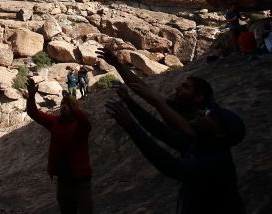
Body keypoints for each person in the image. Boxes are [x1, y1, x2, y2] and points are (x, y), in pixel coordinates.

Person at [106, 93, 246, 214]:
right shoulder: (203, 143)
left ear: (220, 132)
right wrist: (130, 102)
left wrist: (130, 125)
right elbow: (160, 131)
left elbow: (168, 165)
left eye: (210, 115)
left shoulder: (215, 163)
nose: (200, 113)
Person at [26, 78, 93, 214]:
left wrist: (71, 104)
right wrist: (32, 95)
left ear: (74, 109)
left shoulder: (79, 127)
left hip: (81, 179)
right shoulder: (55, 122)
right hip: (63, 178)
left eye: (67, 105)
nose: (63, 107)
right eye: (62, 104)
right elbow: (34, 113)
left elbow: (86, 124)